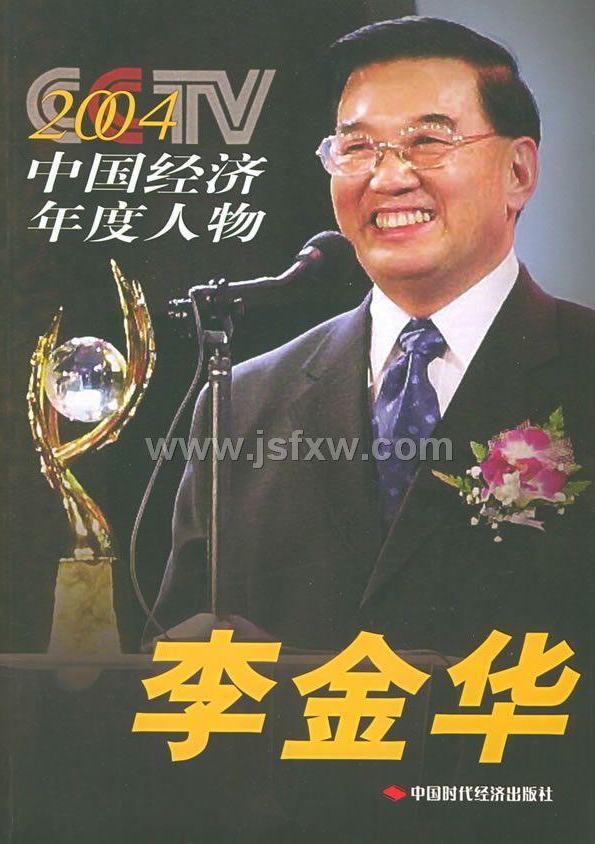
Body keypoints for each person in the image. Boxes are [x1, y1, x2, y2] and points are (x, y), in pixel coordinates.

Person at [150, 18, 594, 662]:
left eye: (428, 141)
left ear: (519, 171)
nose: (387, 178)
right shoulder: (241, 401)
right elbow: (171, 661)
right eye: (356, 148)